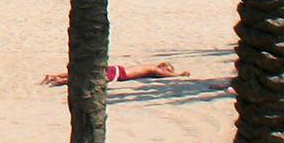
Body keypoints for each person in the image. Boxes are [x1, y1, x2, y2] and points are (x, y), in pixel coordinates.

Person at [42, 60, 186, 86]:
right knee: (90, 78)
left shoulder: (148, 67)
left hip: (117, 69)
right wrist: (179, 74)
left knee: (87, 72)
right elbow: (164, 74)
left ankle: (55, 75)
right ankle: (60, 80)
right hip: (119, 74)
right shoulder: (153, 69)